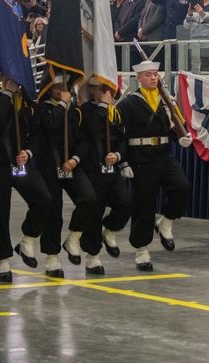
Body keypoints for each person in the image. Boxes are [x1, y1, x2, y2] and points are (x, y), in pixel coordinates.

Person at [116, 61, 191, 271]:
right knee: (144, 205)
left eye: (155, 74)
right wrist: (123, 162)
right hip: (141, 159)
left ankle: (165, 222)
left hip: (163, 155)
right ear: (138, 78)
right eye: (148, 74)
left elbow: (175, 127)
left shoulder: (167, 102)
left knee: (181, 187)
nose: (153, 78)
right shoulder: (128, 104)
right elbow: (119, 135)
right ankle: (142, 250)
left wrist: (182, 138)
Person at [31, 77, 97, 278]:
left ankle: (74, 237)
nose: (61, 90)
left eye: (65, 87)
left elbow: (84, 140)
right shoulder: (42, 109)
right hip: (49, 166)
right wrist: (62, 104)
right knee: (54, 209)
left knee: (89, 198)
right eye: (57, 87)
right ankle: (52, 256)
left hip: (71, 165)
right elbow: (50, 124)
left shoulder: (75, 111)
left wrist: (76, 159)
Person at [0, 77, 51, 283]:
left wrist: (29, 153)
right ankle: (3, 260)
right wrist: (7, 92)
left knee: (44, 199)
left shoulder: (27, 103)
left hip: (20, 163)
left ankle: (28, 239)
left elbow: (37, 133)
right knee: (0, 210)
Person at [78, 80, 133, 275]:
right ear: (90, 89)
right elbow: (92, 128)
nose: (104, 93)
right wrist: (103, 105)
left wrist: (118, 156)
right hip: (93, 169)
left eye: (106, 89)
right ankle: (92, 256)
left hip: (111, 169)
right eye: (99, 89)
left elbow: (121, 139)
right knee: (95, 212)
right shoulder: (84, 110)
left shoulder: (113, 112)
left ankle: (109, 229)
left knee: (125, 202)